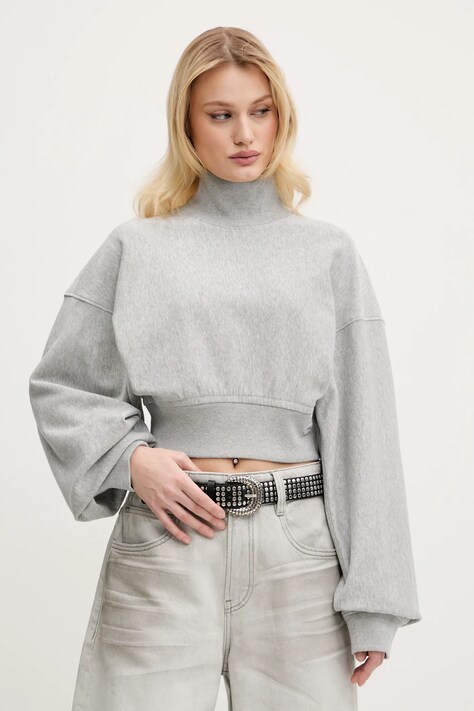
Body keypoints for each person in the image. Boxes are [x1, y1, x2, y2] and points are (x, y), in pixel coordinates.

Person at [28, 26, 421, 711]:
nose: (245, 134)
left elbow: (365, 427)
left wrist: (376, 600)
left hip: (300, 556)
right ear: (186, 124)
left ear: (281, 116)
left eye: (260, 111)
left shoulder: (329, 253)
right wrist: (131, 459)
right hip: (168, 539)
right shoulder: (136, 248)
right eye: (221, 115)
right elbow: (61, 384)